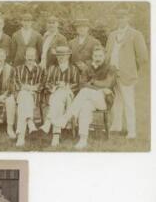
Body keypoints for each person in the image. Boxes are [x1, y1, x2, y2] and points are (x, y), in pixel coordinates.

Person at [59, 45, 117, 149]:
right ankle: (83, 139)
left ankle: (66, 117)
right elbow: (82, 84)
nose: (98, 58)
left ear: (104, 56)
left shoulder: (111, 68)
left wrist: (93, 82)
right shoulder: (88, 68)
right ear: (92, 56)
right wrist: (99, 88)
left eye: (100, 56)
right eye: (95, 56)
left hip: (104, 101)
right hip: (90, 98)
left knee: (85, 91)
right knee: (85, 107)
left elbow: (107, 84)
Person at [106, 8, 148, 139]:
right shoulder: (112, 35)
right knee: (116, 101)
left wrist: (132, 69)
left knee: (129, 102)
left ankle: (132, 131)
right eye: (118, 17)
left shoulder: (136, 34)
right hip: (112, 73)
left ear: (128, 18)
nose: (121, 19)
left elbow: (143, 57)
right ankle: (117, 125)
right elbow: (108, 52)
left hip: (127, 74)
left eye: (123, 17)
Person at [40, 46, 80, 147]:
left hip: (68, 97)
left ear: (68, 56)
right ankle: (56, 136)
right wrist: (55, 87)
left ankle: (49, 121)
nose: (61, 58)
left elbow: (76, 85)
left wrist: (66, 86)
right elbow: (46, 83)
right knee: (58, 101)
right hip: (54, 96)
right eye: (59, 56)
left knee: (61, 94)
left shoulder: (73, 69)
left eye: (63, 55)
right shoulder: (52, 68)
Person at [14, 47, 46, 147]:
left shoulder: (40, 70)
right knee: (24, 95)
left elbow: (42, 84)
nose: (30, 58)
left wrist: (31, 88)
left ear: (35, 57)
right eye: (28, 56)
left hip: (35, 96)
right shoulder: (18, 69)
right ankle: (30, 121)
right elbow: (16, 83)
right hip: (22, 94)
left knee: (24, 100)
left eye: (32, 56)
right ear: (25, 57)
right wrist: (26, 88)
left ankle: (21, 136)